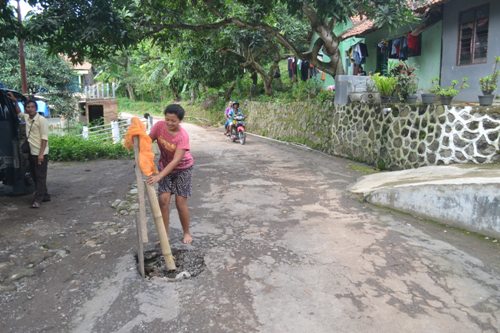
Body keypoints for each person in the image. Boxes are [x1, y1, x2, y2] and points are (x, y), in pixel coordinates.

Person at [147, 104, 194, 244]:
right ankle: (164, 235)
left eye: (173, 121)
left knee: (180, 202)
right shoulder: (159, 127)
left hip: (183, 169)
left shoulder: (182, 136)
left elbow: (175, 161)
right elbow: (147, 141)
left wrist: (159, 176)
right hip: (164, 167)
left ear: (180, 121)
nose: (169, 123)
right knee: (163, 200)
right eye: (167, 119)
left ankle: (186, 233)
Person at [7, 92, 50, 208]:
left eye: (32, 107)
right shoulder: (27, 118)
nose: (30, 109)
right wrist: (15, 101)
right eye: (28, 107)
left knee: (40, 177)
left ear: (36, 108)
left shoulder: (41, 120)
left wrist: (41, 154)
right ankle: (45, 195)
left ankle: (38, 199)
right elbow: (19, 113)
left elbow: (44, 139)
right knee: (35, 175)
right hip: (32, 152)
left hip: (41, 153)